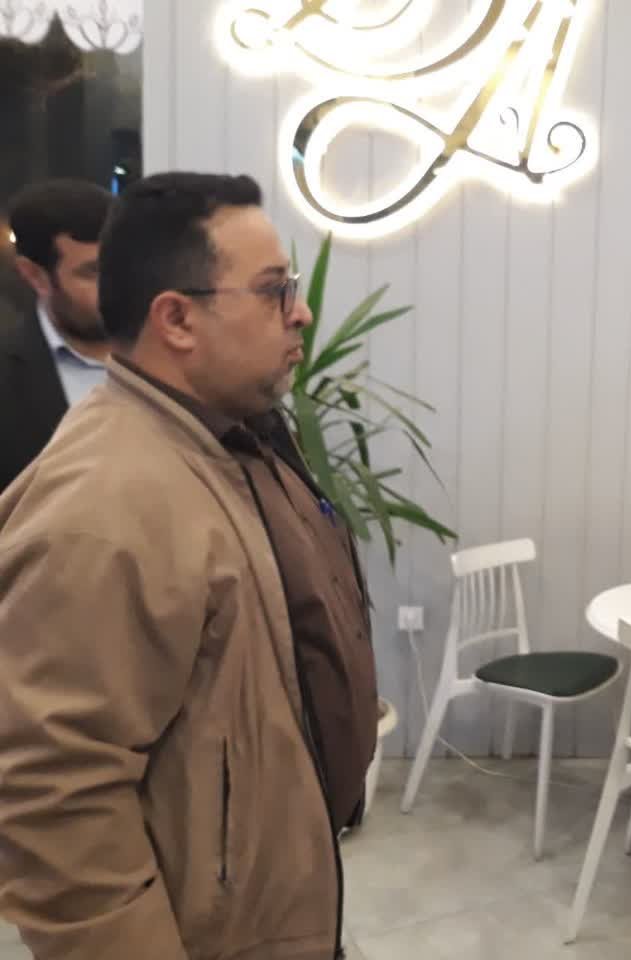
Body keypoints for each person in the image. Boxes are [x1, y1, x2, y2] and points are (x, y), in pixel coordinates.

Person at [0, 172, 379, 960]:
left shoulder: (234, 435)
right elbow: (52, 800)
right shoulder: (103, 506)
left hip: (281, 908)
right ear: (175, 319)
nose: (301, 311)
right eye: (274, 290)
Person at [0, 178, 113, 491]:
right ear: (34, 275)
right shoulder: (7, 377)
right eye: (93, 272)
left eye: (123, 265)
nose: (118, 286)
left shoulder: (181, 356)